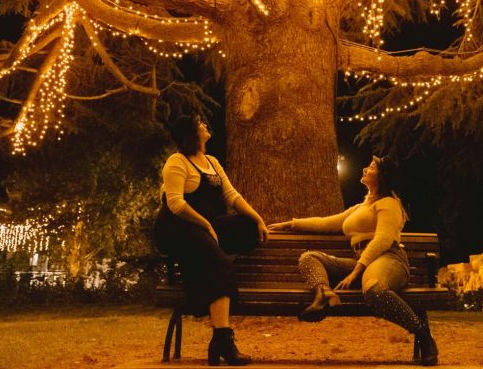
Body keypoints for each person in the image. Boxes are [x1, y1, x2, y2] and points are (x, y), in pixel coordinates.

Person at [268, 156, 438, 366]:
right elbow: (326, 223)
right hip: (363, 263)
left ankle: (423, 334)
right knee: (309, 258)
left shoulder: (389, 203)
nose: (366, 168)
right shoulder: (361, 207)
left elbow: (383, 240)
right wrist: (291, 224)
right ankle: (324, 295)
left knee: (374, 291)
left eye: (373, 167)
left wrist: (356, 271)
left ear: (383, 176)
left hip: (388, 259)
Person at [154, 114, 269, 366]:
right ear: (191, 133)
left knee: (248, 227)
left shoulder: (213, 162)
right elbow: (175, 204)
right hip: (178, 227)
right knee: (221, 265)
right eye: (200, 124)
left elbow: (231, 194)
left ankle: (204, 262)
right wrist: (206, 225)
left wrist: (257, 217)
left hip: (207, 227)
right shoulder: (177, 162)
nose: (205, 125)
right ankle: (223, 341)